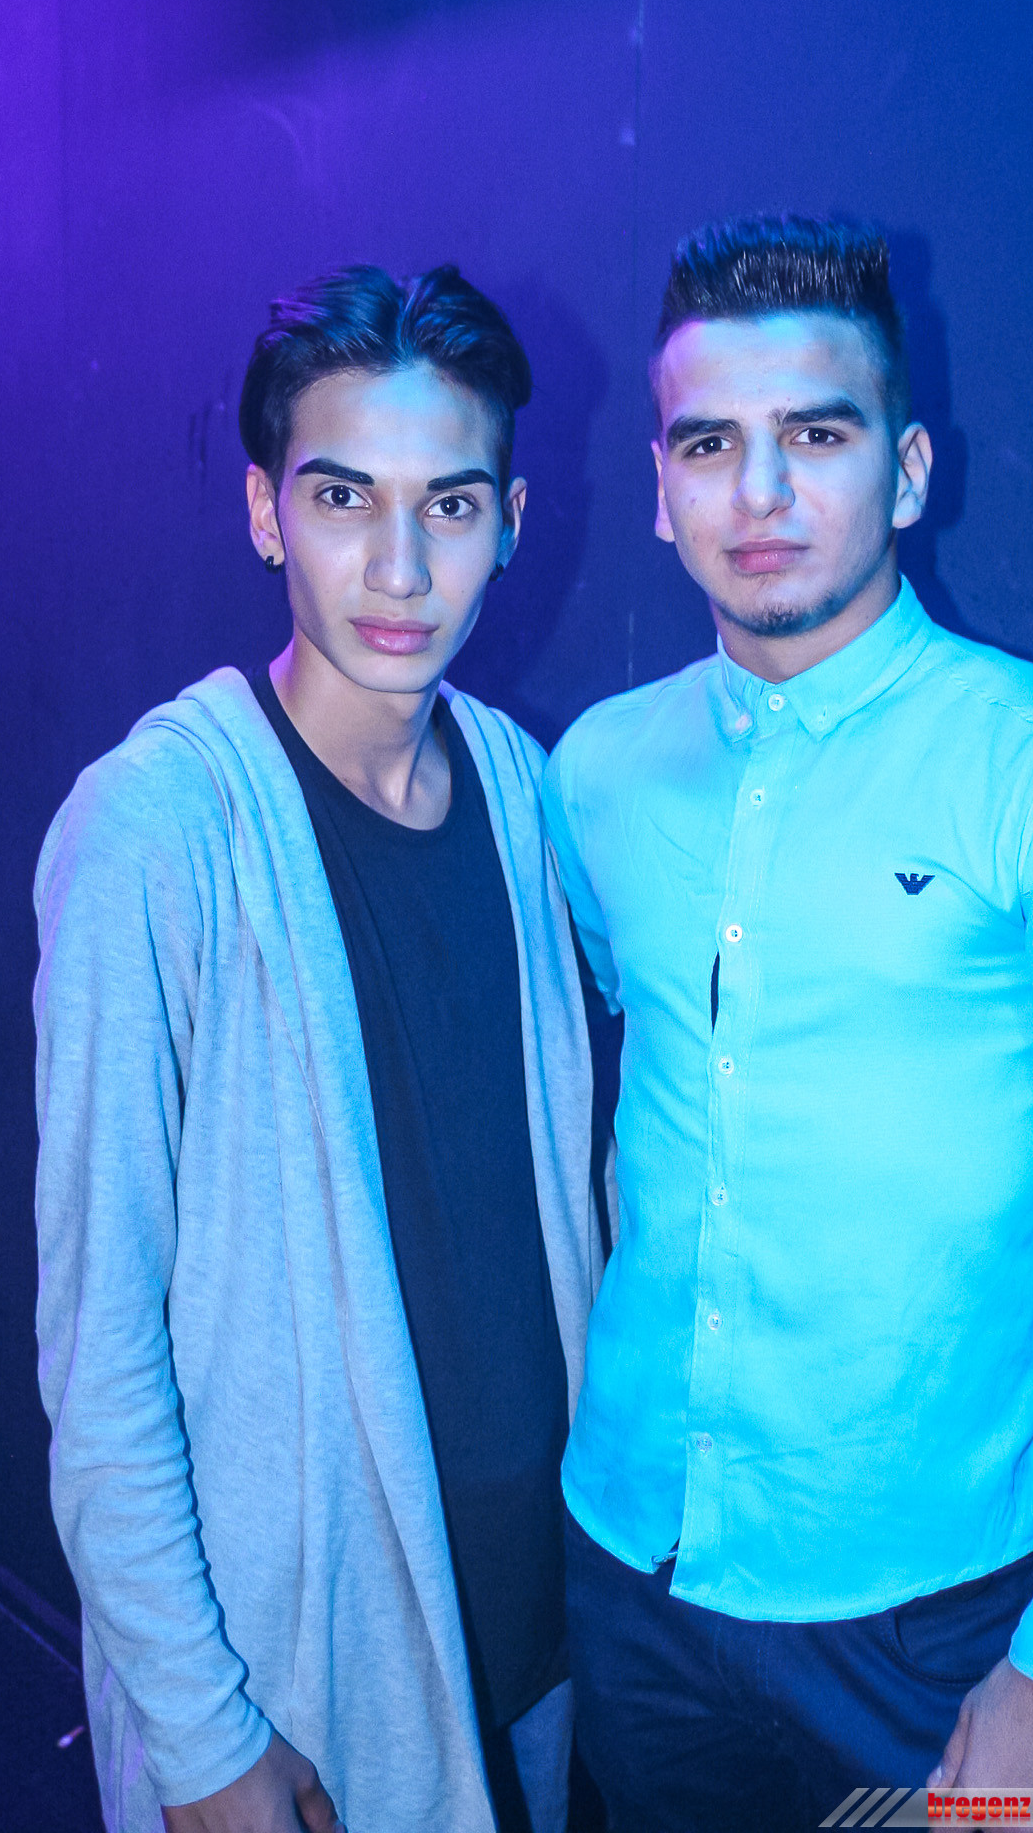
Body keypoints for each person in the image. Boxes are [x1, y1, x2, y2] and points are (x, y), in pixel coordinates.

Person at [541, 214, 1033, 1829]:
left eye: (816, 436)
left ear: (907, 472)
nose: (759, 493)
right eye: (709, 445)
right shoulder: (595, 775)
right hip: (633, 1570)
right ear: (659, 490)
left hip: (950, 1620)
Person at [34, 264, 603, 1833]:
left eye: (450, 505)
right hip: (304, 1673)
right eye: (344, 497)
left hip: (536, 1629)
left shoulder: (522, 785)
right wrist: (202, 1737)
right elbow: (98, 1346)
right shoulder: (159, 827)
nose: (400, 568)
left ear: (511, 520)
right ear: (264, 512)